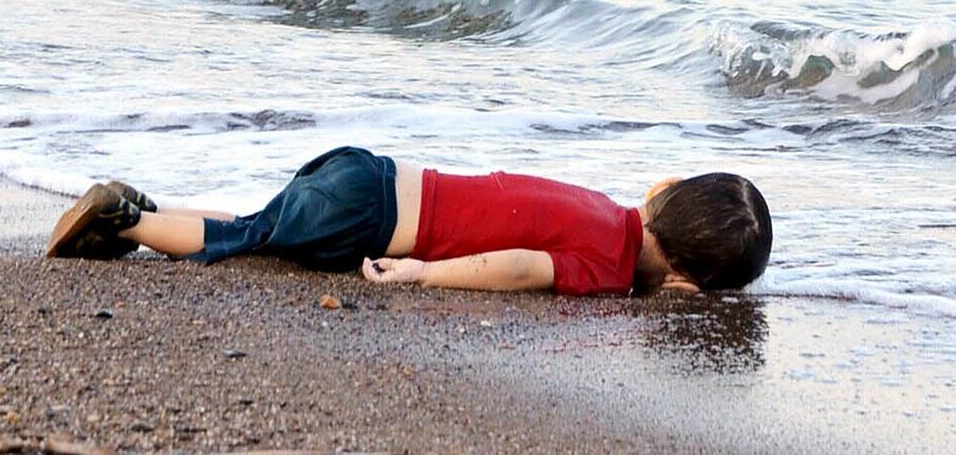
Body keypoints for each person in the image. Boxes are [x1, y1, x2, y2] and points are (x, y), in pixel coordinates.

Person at [46, 146, 772, 296]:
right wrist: (426, 272)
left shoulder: (607, 209)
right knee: (242, 242)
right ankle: (126, 220)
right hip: (371, 217)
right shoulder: (610, 269)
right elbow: (518, 267)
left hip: (377, 173)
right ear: (688, 274)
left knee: (257, 223)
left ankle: (145, 208)